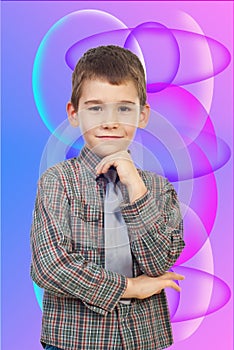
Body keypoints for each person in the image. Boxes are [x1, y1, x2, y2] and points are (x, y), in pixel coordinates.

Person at [30, 45, 185, 350]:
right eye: (96, 107)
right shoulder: (57, 182)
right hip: (74, 341)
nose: (110, 121)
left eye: (124, 108)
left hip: (143, 339)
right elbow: (50, 266)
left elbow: (158, 263)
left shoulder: (158, 188)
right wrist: (131, 288)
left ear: (142, 115)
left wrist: (136, 190)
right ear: (74, 114)